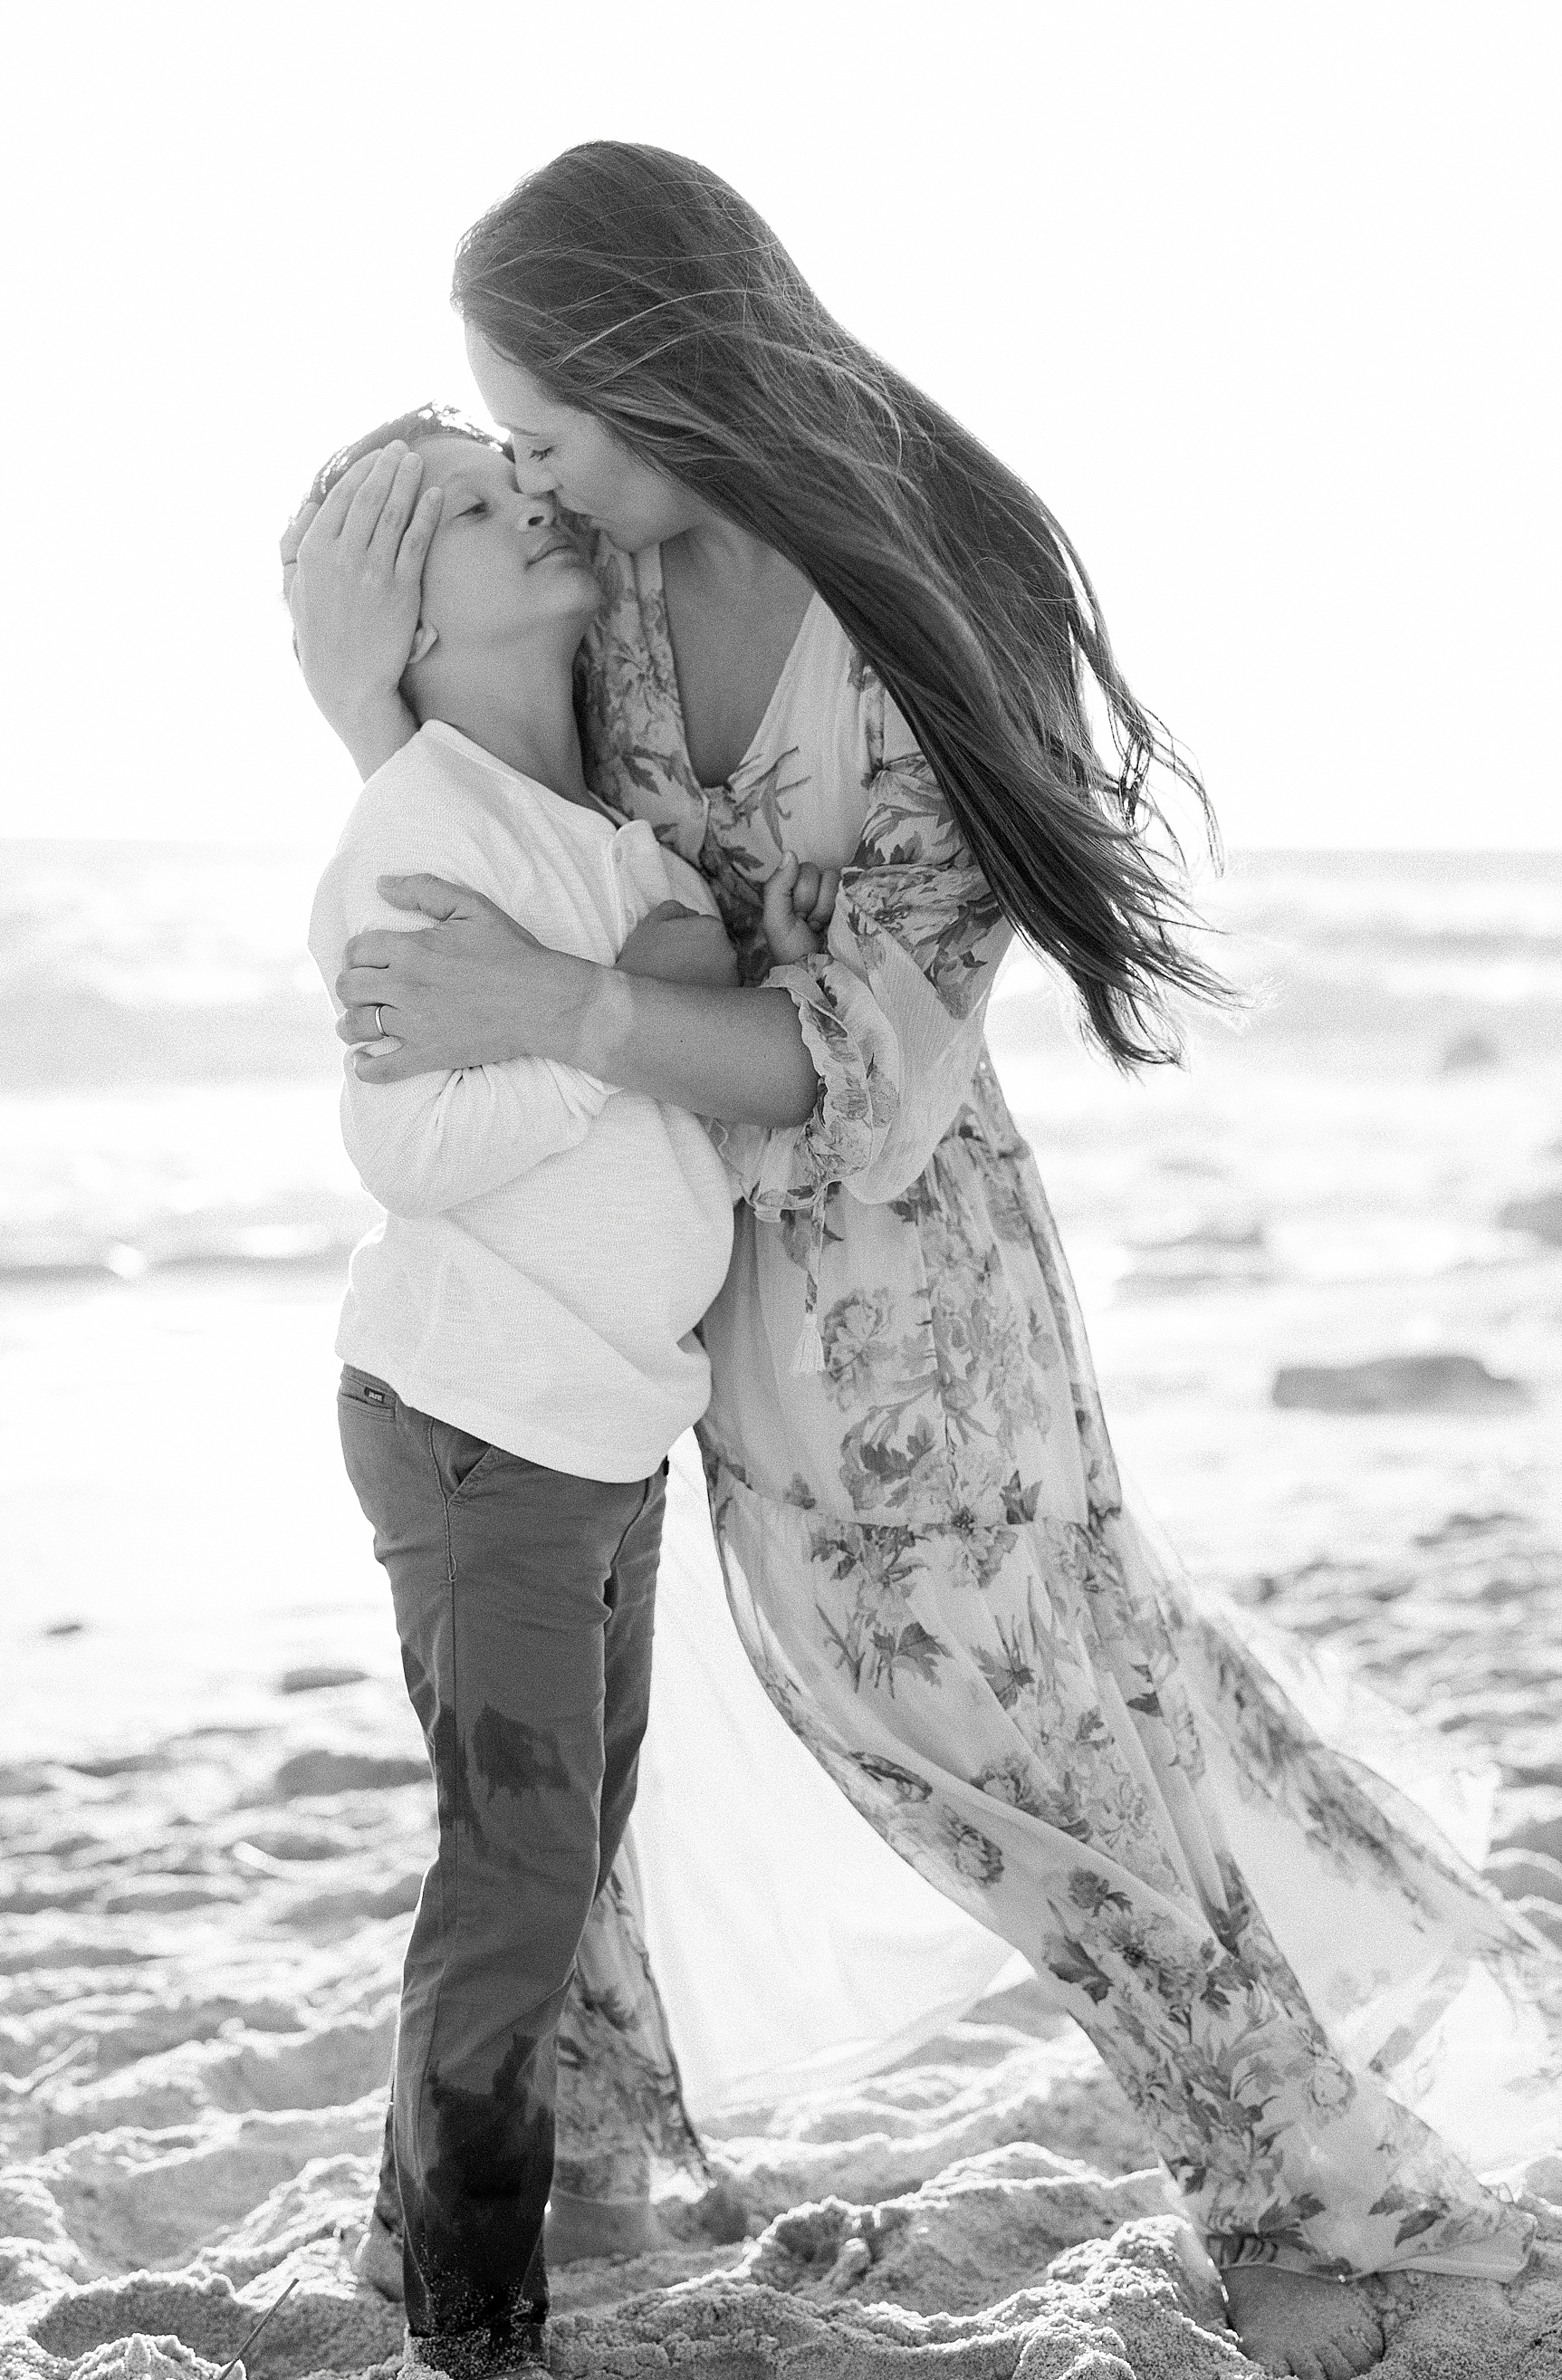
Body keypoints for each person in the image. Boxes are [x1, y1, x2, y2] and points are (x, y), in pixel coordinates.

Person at [284, 146, 1562, 2380]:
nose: (528, 471)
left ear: (659, 367)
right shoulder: (595, 583)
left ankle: (1331, 2212)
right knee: (590, 1770)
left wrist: (570, 1016)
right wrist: (369, 726)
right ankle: (566, 2196)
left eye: (542, 425)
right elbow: (515, 833)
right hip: (632, 1280)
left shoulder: (936, 583)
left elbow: (884, 1038)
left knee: (1040, 1758)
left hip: (903, 1306)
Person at [305, 404, 832, 2377]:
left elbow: (659, 968)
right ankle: (474, 2315)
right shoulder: (419, 825)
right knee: (520, 1868)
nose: (521, 494)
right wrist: (608, 1010)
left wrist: (610, 965)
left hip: (601, 1424)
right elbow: (409, 1141)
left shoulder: (591, 835)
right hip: (478, 1423)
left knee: (553, 1847)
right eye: (462, 504)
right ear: (400, 628)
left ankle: (403, 2224)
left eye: (509, 471)